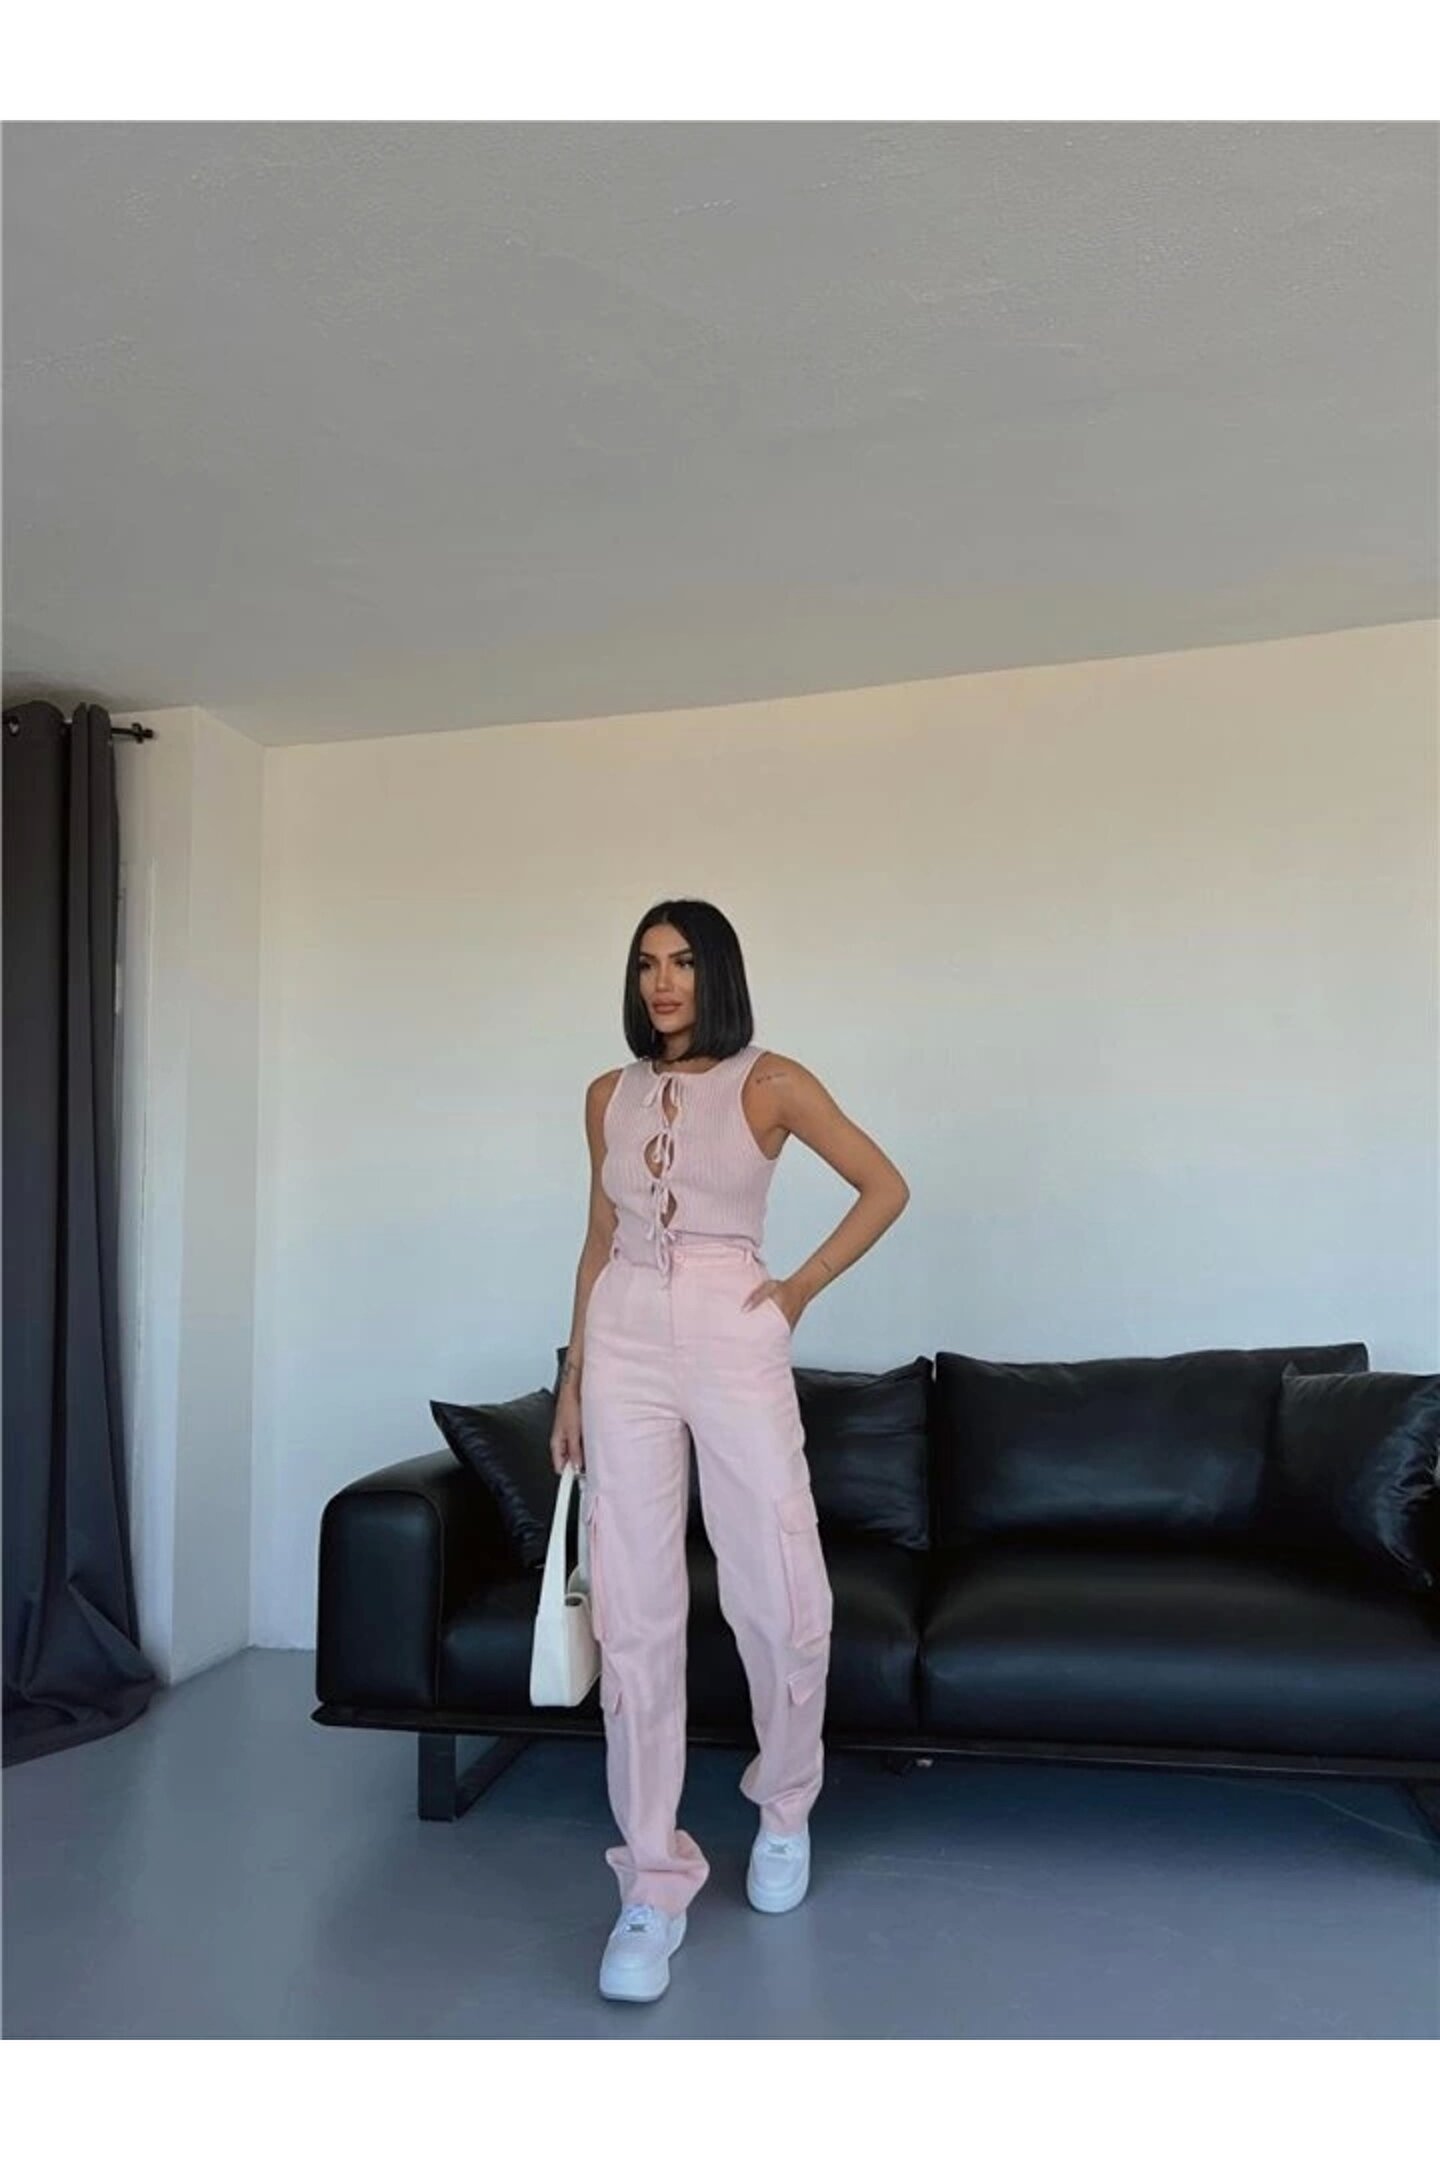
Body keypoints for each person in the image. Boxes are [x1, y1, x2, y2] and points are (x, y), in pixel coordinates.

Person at [548, 898, 910, 2003]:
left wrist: (797, 1289)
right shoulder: (607, 1095)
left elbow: (885, 1185)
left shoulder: (772, 1081)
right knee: (633, 1605)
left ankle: (785, 1804)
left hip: (730, 1327)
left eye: (684, 962)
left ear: (719, 974)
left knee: (777, 1584)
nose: (663, 982)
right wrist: (572, 1377)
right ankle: (651, 1881)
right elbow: (600, 1237)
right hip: (621, 1335)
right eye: (646, 964)